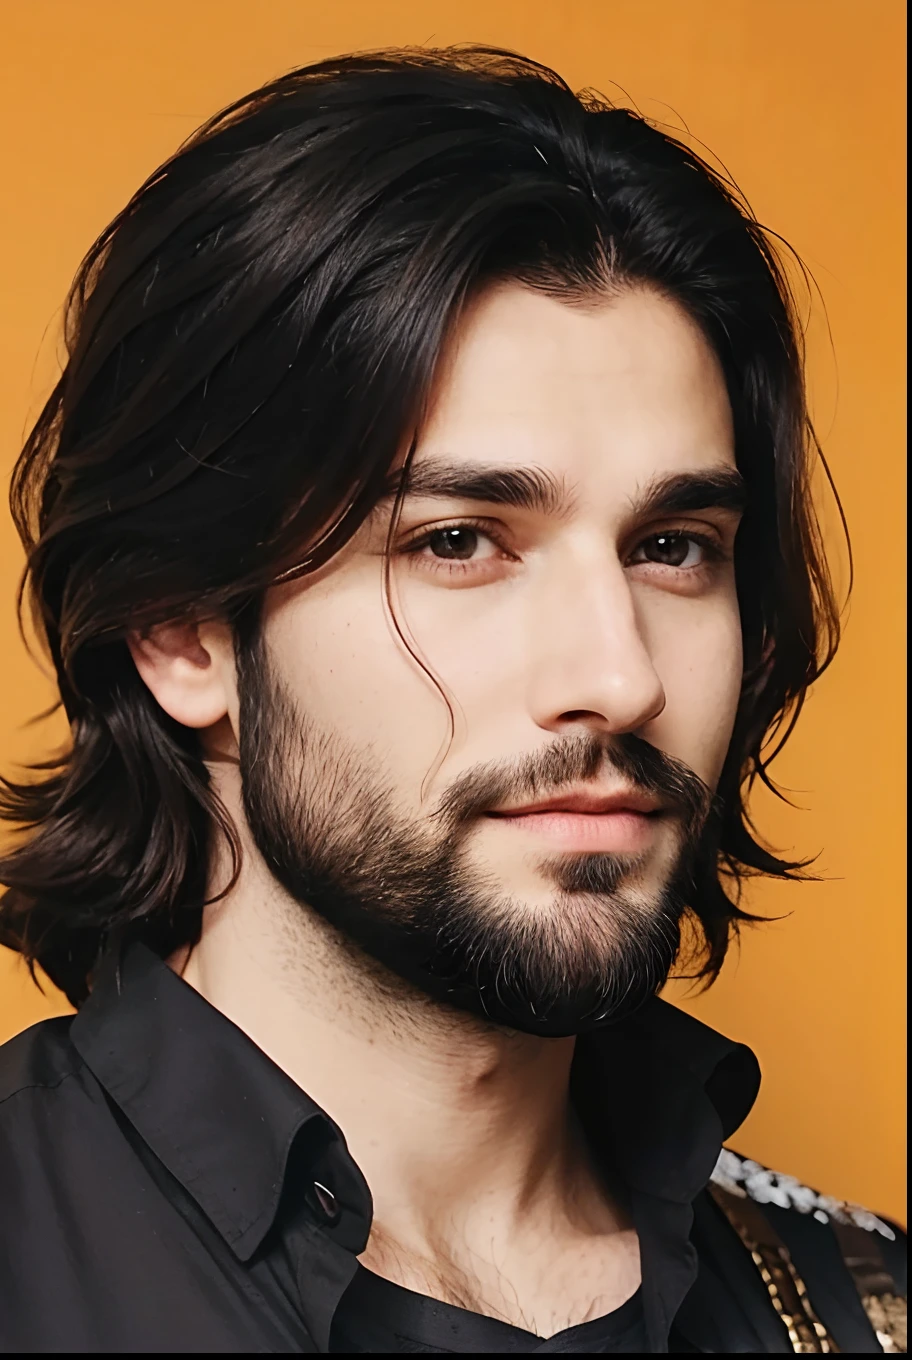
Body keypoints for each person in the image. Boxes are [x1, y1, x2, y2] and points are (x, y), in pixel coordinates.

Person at [0, 46, 905, 1355]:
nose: (622, 675)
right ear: (179, 632)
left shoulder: (849, 1306)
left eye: (674, 548)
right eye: (458, 541)